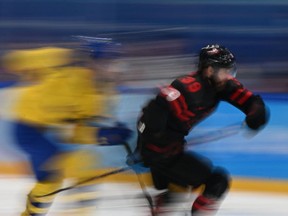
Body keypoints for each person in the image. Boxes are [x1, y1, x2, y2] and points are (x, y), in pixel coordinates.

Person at [134, 44, 269, 215]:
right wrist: (145, 148)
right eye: (224, 71)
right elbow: (150, 116)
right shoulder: (188, 89)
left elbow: (252, 103)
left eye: (230, 71)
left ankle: (162, 205)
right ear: (209, 70)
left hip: (171, 151)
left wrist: (256, 115)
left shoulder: (222, 86)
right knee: (217, 182)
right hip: (161, 153)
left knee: (179, 187)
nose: (228, 76)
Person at [1, 45, 131, 216]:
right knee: (55, 175)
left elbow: (74, 133)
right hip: (28, 128)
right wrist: (29, 69)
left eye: (114, 63)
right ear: (93, 61)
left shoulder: (103, 96)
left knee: (78, 168)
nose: (113, 69)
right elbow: (14, 60)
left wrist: (101, 136)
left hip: (55, 133)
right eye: (107, 62)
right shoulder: (60, 59)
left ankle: (70, 213)